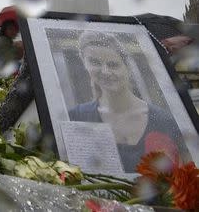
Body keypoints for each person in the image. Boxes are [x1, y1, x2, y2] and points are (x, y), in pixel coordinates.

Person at [69, 31, 190, 172]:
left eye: (113, 64)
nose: (105, 71)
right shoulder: (76, 118)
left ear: (128, 68)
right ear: (84, 64)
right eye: (95, 62)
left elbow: (185, 172)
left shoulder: (164, 120)